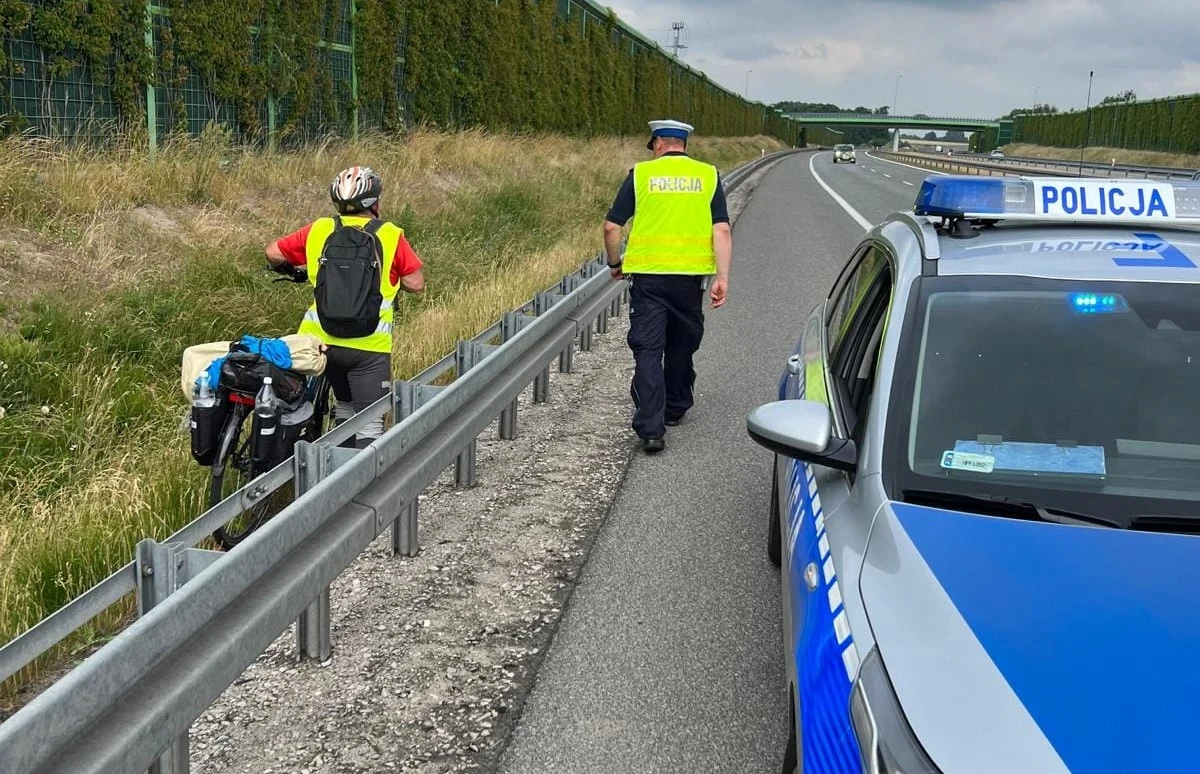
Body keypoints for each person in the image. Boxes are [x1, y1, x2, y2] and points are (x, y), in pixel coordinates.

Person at [264, 165, 425, 448]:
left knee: (344, 406)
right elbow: (415, 283)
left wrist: (294, 269)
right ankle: (364, 485)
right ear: (374, 203)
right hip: (368, 347)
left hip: (321, 342)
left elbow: (273, 252)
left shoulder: (320, 230)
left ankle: (333, 474)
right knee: (370, 420)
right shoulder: (389, 234)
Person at [603, 120, 733, 454]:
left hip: (648, 279)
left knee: (648, 349)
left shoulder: (641, 175)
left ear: (659, 143)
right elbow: (721, 231)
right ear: (683, 144)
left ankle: (650, 429)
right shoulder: (708, 176)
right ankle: (675, 407)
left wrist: (615, 264)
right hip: (689, 281)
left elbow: (611, 227)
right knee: (680, 343)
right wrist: (722, 277)